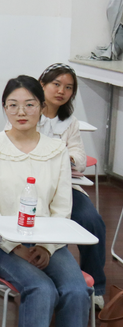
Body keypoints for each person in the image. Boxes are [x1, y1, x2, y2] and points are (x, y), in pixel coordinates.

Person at [0, 76, 90, 327]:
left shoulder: (56, 149)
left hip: (48, 242)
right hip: (0, 244)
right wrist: (17, 247)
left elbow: (62, 208)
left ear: (41, 107)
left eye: (29, 104)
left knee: (77, 289)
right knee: (42, 288)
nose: (21, 112)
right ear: (4, 108)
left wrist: (47, 247)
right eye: (12, 105)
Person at [36, 63, 106, 309]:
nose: (61, 91)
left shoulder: (70, 122)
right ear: (42, 84)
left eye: (68, 88)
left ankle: (96, 286)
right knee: (47, 224)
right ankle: (45, 281)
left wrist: (64, 155)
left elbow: (80, 158)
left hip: (65, 187)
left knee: (92, 221)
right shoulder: (29, 111)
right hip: (33, 188)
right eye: (56, 84)